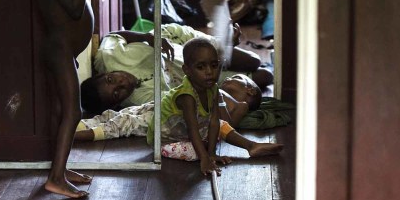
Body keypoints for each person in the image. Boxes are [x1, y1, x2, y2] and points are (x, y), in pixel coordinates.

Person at [21, 0, 94, 198]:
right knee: (73, 112)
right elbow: (75, 10)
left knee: (59, 111)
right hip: (60, 51)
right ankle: (56, 179)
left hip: (62, 50)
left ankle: (61, 169)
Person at [148, 38, 282, 176]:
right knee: (198, 151)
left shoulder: (213, 89)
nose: (209, 72)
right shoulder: (186, 96)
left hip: (184, 131)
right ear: (186, 70)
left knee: (220, 125)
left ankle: (251, 146)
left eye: (214, 65)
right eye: (201, 67)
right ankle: (205, 153)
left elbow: (214, 122)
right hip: (166, 140)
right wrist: (205, 159)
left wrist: (212, 154)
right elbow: (192, 129)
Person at [80, 23, 274, 114]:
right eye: (117, 93)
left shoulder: (108, 56)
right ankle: (222, 58)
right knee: (264, 76)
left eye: (111, 80)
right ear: (116, 104)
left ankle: (223, 49)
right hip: (196, 72)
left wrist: (148, 38)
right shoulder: (139, 103)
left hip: (182, 43)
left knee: (253, 61)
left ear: (105, 73)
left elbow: (116, 34)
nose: (121, 83)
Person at [74, 74, 262, 141]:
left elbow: (225, 125)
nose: (228, 79)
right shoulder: (214, 90)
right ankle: (79, 125)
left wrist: (217, 97)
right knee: (121, 113)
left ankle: (74, 137)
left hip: (172, 118)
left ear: (250, 91)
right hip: (166, 102)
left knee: (127, 122)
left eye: (236, 78)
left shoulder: (240, 105)